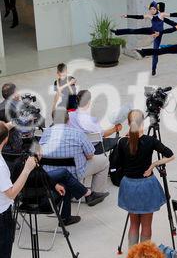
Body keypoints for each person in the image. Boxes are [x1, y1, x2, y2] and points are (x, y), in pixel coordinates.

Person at [116, 110, 174, 248]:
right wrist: (152, 165)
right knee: (146, 225)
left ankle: (133, 254)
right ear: (143, 123)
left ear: (128, 123)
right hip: (146, 186)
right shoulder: (150, 141)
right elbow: (170, 155)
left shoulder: (122, 142)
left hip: (129, 186)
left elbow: (119, 165)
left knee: (133, 224)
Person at [39, 108, 109, 206]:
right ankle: (95, 193)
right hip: (74, 172)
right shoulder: (78, 134)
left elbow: (39, 154)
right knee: (104, 161)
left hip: (51, 173)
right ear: (68, 119)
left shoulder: (46, 134)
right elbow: (90, 155)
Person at [0, 122, 37, 258]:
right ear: (6, 139)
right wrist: (27, 169)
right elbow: (11, 194)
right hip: (2, 216)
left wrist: (14, 122)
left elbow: (2, 130)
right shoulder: (1, 166)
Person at [113, 1, 176, 76]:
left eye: (154, 9)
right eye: (151, 9)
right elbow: (139, 17)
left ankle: (153, 69)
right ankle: (117, 32)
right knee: (134, 31)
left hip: (158, 34)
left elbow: (173, 19)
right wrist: (127, 16)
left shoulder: (162, 16)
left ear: (157, 9)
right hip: (151, 30)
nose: (152, 10)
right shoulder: (150, 15)